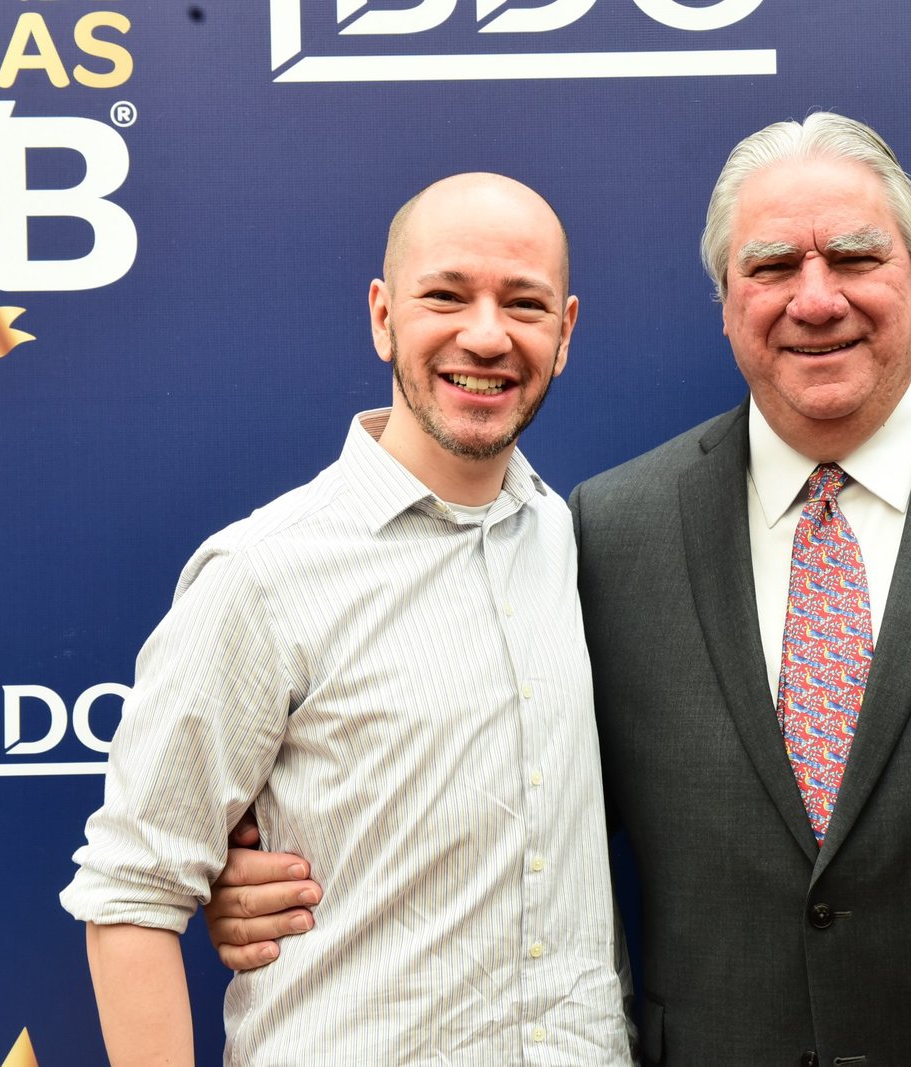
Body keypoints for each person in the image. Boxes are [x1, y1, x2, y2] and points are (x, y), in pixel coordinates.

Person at [208, 115, 911, 1065]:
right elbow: (515, 794)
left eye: (856, 255)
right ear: (726, 304)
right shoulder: (612, 529)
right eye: (772, 265)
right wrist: (272, 872)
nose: (817, 296)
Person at [61, 173, 633, 1066]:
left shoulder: (573, 541)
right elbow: (132, 893)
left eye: (523, 304)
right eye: (446, 295)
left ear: (564, 334)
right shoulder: (263, 572)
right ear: (383, 316)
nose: (487, 334)